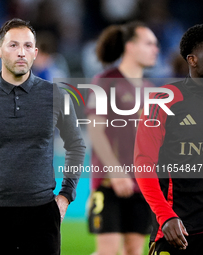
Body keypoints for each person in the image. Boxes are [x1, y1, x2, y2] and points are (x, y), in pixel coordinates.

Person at [0, 18, 85, 255]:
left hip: (42, 214)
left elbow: (76, 145)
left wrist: (66, 195)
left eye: (28, 46)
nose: (22, 52)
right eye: (13, 45)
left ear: (36, 52)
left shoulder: (55, 95)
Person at [85, 21, 159, 255]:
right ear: (130, 46)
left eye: (155, 44)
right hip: (109, 183)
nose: (155, 49)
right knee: (107, 251)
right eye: (148, 43)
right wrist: (116, 172)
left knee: (134, 251)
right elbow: (95, 130)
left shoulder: (150, 89)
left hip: (143, 186)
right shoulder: (105, 82)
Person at [134, 24, 203, 254]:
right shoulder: (162, 100)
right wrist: (165, 217)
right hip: (178, 232)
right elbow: (143, 163)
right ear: (192, 60)